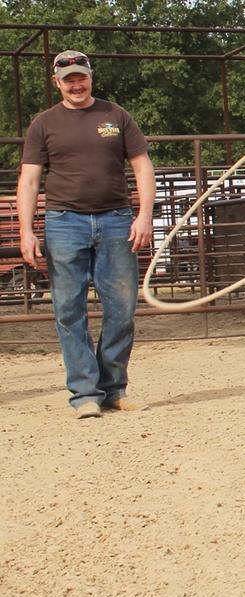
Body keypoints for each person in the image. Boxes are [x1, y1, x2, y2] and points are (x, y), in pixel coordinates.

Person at [17, 50, 155, 418]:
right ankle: (84, 394)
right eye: (69, 79)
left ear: (90, 76)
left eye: (81, 77)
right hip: (64, 222)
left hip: (116, 220)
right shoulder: (43, 124)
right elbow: (29, 179)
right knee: (68, 309)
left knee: (122, 308)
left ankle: (113, 389)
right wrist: (26, 230)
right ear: (57, 82)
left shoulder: (116, 115)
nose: (76, 84)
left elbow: (142, 167)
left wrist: (144, 215)